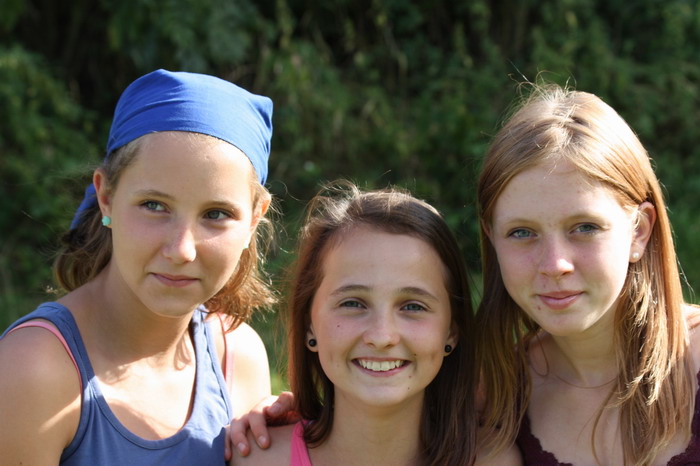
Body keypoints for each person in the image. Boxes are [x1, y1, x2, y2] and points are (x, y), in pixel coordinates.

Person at [0, 69, 275, 464]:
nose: (181, 250)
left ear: (253, 220)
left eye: (215, 214)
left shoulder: (239, 356)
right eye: (154, 206)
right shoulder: (33, 370)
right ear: (106, 197)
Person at [476, 83, 700, 465]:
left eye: (585, 227)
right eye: (522, 233)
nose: (554, 264)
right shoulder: (492, 400)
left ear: (639, 231)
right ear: (492, 238)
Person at [232, 182, 480, 465]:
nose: (382, 336)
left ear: (452, 331)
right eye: (352, 303)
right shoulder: (253, 460)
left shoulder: (494, 460)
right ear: (309, 324)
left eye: (413, 306)